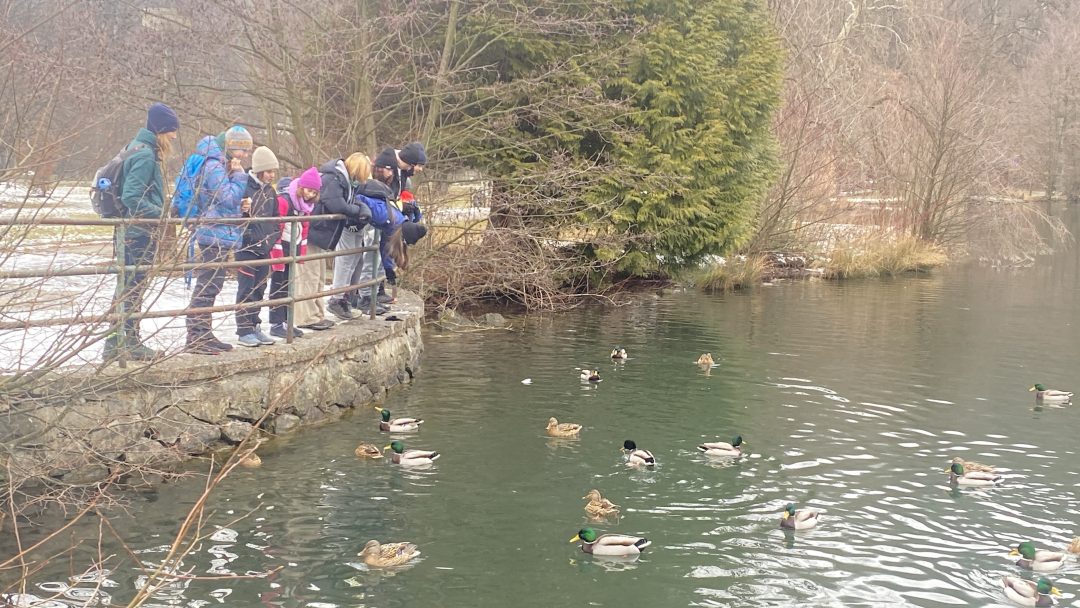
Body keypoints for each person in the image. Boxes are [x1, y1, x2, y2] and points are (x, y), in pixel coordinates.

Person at [103, 102, 179, 362]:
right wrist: (161, 214)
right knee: (132, 288)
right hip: (137, 232)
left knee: (126, 287)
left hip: (130, 231)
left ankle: (115, 343)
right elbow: (132, 196)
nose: (174, 136)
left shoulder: (135, 147)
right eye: (171, 130)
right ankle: (129, 343)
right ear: (160, 130)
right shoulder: (145, 155)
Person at [185, 126, 251, 353]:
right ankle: (196, 336)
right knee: (208, 285)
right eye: (242, 150)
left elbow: (223, 201)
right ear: (230, 147)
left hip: (218, 232)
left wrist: (240, 206)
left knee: (213, 285)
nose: (244, 156)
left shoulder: (219, 165)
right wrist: (239, 176)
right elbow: (227, 198)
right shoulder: (213, 166)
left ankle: (204, 332)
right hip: (212, 233)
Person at [311, 153, 372, 321]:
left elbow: (349, 201)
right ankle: (336, 298)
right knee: (343, 261)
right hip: (321, 227)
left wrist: (361, 208)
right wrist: (358, 211)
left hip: (331, 226)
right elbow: (338, 204)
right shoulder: (335, 179)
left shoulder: (346, 180)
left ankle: (341, 296)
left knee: (351, 260)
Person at [268, 167, 326, 337]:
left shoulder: (305, 206)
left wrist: (300, 253)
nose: (310, 195)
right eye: (308, 190)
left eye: (314, 192)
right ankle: (276, 323)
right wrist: (277, 256)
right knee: (278, 286)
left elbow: (305, 227)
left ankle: (287, 321)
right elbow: (276, 228)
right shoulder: (285, 201)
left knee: (289, 287)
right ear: (301, 187)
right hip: (281, 249)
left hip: (292, 248)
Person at [234, 146, 280, 347]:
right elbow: (236, 214)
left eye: (273, 172)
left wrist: (271, 238)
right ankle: (243, 329)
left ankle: (254, 325)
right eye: (268, 171)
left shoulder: (270, 191)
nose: (271, 175)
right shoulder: (244, 186)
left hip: (264, 247)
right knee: (246, 289)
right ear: (260, 170)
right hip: (247, 247)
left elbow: (276, 218)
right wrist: (248, 234)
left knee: (260, 288)